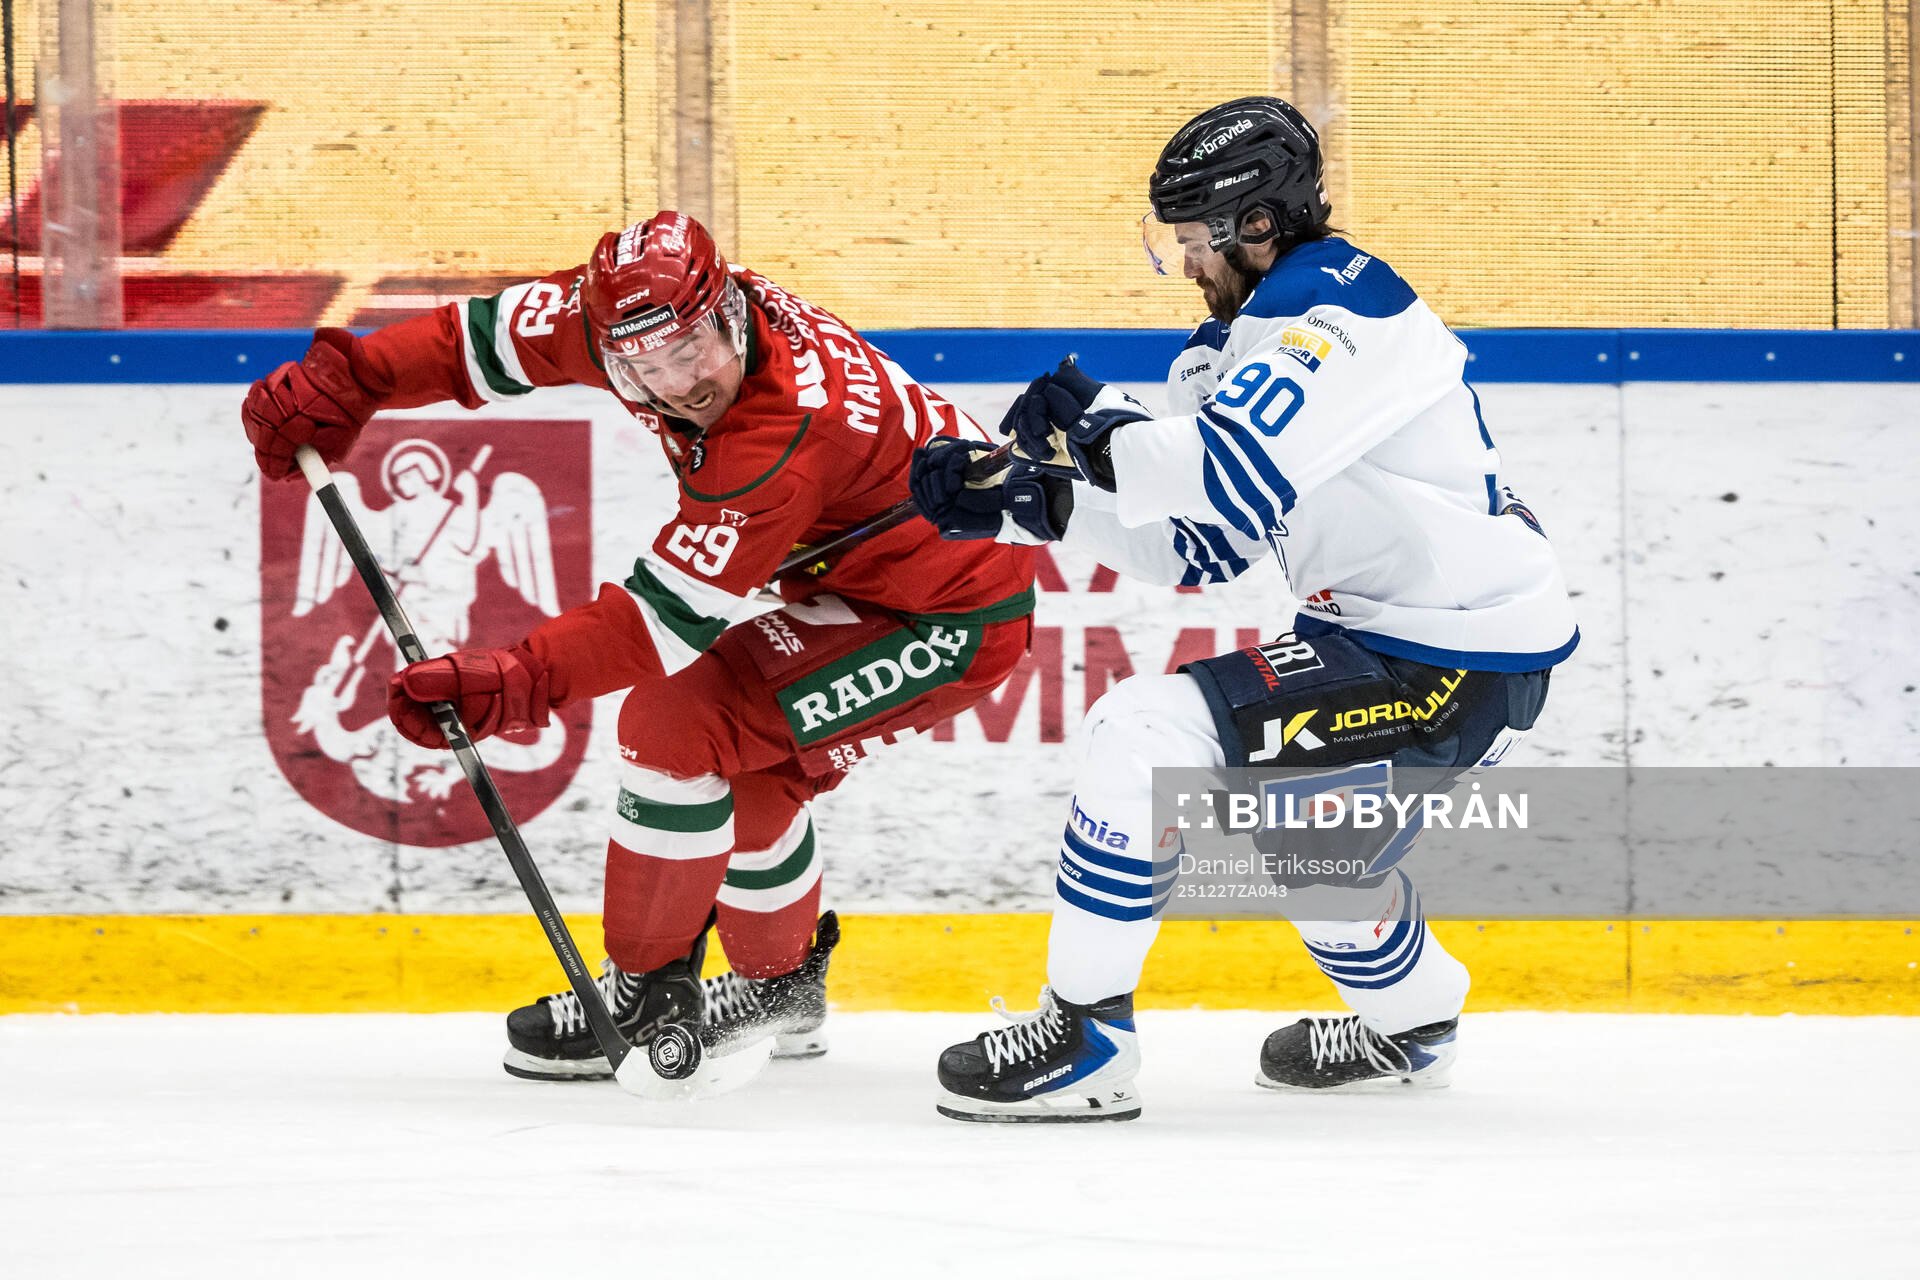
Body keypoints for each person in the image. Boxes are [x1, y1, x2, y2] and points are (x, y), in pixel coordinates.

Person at [243, 211, 1036, 1079]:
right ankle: (780, 990)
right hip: (859, 584)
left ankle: (646, 989)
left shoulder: (779, 437)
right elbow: (486, 342)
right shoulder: (637, 319)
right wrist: (353, 378)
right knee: (749, 769)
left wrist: (515, 681)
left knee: (674, 723)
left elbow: (663, 620)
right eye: (645, 370)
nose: (680, 384)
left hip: (948, 617)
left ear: (730, 311)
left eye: (694, 352)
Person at [909, 96, 1578, 1122]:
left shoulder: (1348, 309)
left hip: (1451, 657)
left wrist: (1094, 426)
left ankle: (1085, 1035)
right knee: (1314, 853)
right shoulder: (1233, 347)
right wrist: (1035, 507)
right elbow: (1202, 543)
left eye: (1192, 239)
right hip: (1399, 639)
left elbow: (1222, 466)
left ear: (1256, 226)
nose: (1181, 262)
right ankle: (1415, 1020)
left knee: (1141, 734)